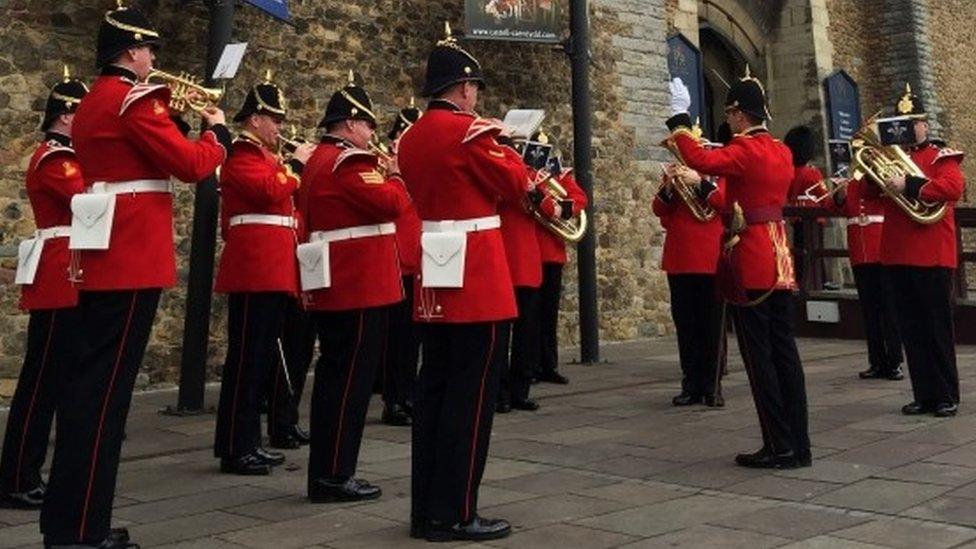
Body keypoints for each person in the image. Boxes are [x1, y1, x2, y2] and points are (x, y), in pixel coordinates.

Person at [39, 4, 230, 547]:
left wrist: (178, 121)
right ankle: (81, 529)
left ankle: (73, 521)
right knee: (104, 401)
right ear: (130, 52)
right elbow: (192, 166)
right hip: (129, 260)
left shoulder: (99, 100)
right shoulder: (134, 99)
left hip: (106, 256)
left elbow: (143, 156)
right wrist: (217, 134)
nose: (153, 59)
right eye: (149, 50)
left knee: (89, 392)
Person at [398, 24, 548, 542]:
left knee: (435, 390)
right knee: (472, 399)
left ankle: (426, 510)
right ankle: (457, 511)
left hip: (436, 272)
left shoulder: (410, 137)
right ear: (464, 89)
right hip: (478, 277)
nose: (476, 97)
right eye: (474, 89)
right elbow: (516, 184)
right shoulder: (471, 132)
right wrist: (509, 147)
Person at [665, 71, 810, 469]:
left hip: (753, 259)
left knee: (759, 359)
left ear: (741, 115)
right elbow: (739, 197)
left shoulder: (745, 150)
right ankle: (799, 443)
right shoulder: (780, 150)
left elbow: (699, 157)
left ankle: (777, 444)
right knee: (786, 355)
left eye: (730, 114)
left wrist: (680, 120)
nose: (728, 121)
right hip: (779, 256)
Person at [299, 73, 410, 502]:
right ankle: (334, 475)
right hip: (357, 285)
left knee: (337, 379)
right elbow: (392, 204)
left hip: (341, 282)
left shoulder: (320, 160)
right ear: (349, 124)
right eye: (368, 126)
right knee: (348, 386)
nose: (372, 135)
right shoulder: (348, 162)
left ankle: (330, 472)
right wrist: (398, 174)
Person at [212, 74, 314, 474]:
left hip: (272, 269)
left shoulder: (266, 157)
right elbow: (268, 192)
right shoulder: (241, 155)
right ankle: (236, 446)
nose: (280, 128)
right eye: (275, 120)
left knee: (260, 361)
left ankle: (248, 440)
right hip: (254, 269)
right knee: (246, 361)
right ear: (256, 119)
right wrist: (294, 166)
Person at [1, 70, 87, 509]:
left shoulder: (69, 153)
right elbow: (85, 199)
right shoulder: (57, 158)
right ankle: (18, 475)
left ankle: (26, 471)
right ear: (68, 117)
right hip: (59, 275)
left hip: (70, 272)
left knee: (57, 380)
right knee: (41, 383)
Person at [879, 84, 964, 417]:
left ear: (925, 125)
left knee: (936, 328)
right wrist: (878, 182)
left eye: (914, 122)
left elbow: (953, 187)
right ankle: (924, 394)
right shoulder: (890, 158)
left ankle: (946, 394)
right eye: (903, 122)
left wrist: (910, 184)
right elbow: (867, 194)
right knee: (911, 328)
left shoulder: (941, 156)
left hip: (931, 254)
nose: (909, 128)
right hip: (898, 253)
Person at [653, 134, 726, 408]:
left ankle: (712, 385)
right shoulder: (676, 175)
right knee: (686, 325)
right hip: (680, 258)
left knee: (711, 326)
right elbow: (658, 210)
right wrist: (670, 188)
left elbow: (723, 203)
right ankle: (691, 384)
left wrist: (701, 182)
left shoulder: (717, 175)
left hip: (709, 259)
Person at [829, 176, 904, 381]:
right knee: (869, 312)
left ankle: (895, 361)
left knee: (889, 310)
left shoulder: (878, 180)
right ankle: (877, 361)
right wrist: (840, 195)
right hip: (860, 254)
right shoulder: (850, 184)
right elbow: (838, 211)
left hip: (881, 250)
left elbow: (878, 193)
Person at [378, 99, 423, 427]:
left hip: (419, 258)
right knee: (396, 337)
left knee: (412, 338)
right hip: (395, 257)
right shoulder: (385, 167)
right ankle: (394, 400)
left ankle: (407, 394)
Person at [534, 138, 588, 387]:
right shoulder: (530, 178)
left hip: (552, 253)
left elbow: (579, 198)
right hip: (531, 252)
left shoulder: (559, 175)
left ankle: (548, 364)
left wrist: (561, 209)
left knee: (548, 313)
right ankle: (528, 365)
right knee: (528, 315)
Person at [784, 125, 829, 288]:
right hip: (814, 216)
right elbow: (824, 197)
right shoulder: (812, 173)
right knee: (816, 251)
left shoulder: (789, 172)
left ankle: (802, 280)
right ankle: (819, 281)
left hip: (797, 217)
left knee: (800, 251)